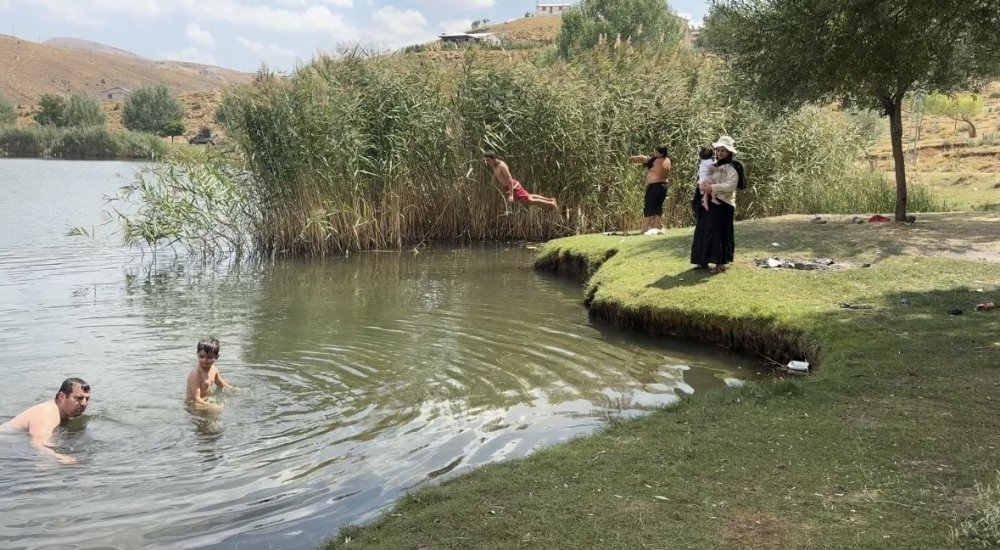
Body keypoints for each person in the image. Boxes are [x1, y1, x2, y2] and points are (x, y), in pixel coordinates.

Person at [1, 378, 91, 463]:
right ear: (62, 396)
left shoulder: (59, 413)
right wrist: (60, 457)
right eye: (79, 398)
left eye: (87, 399)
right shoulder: (48, 414)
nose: (84, 403)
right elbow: (37, 445)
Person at [690, 135, 744, 274]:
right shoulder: (714, 165)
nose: (720, 153)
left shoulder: (733, 167)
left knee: (719, 233)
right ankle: (703, 261)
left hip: (723, 204)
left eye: (723, 151)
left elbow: (731, 186)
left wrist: (712, 189)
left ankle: (720, 264)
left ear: (729, 152)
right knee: (704, 230)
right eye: (718, 150)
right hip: (710, 203)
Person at [483, 151, 559, 212]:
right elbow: (495, 173)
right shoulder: (494, 165)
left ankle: (551, 204)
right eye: (486, 160)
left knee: (528, 200)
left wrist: (511, 195)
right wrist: (492, 181)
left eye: (488, 160)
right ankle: (551, 200)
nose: (487, 162)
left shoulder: (502, 166)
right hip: (507, 187)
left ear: (493, 158)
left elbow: (509, 178)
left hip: (512, 186)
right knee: (529, 196)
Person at [628, 144, 672, 234]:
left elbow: (642, 158)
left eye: (656, 152)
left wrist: (630, 158)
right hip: (664, 186)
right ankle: (655, 228)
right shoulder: (668, 160)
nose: (654, 153)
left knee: (648, 206)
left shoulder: (654, 160)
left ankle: (645, 229)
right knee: (658, 207)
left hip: (654, 187)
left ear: (661, 153)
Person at [186, 337, 233, 407]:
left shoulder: (214, 370)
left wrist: (231, 389)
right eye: (201, 356)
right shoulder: (196, 374)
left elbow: (220, 383)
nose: (205, 360)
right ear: (197, 354)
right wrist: (213, 406)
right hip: (193, 404)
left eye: (209, 357)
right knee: (217, 409)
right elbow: (196, 398)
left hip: (205, 399)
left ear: (217, 357)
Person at [697, 145, 720, 211]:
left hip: (701, 179)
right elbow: (711, 167)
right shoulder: (709, 161)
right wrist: (718, 169)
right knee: (714, 185)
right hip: (706, 179)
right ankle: (713, 198)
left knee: (706, 192)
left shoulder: (701, 161)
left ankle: (705, 202)